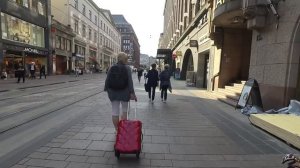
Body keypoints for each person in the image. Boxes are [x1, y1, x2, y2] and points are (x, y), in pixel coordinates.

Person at [104, 52, 137, 132]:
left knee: (115, 111)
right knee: (124, 110)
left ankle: (117, 129)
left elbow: (107, 80)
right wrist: (132, 93)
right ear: (125, 59)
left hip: (113, 92)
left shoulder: (112, 67)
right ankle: (123, 129)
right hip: (124, 92)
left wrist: (107, 89)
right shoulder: (127, 68)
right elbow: (130, 82)